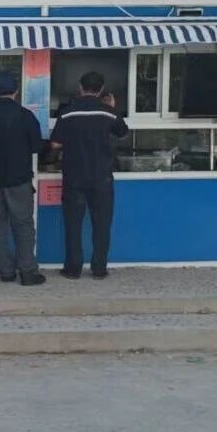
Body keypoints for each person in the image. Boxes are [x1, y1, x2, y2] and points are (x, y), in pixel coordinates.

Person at [50, 71, 129, 280]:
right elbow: (123, 133)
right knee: (102, 225)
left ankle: (73, 269)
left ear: (80, 87)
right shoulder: (109, 113)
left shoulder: (67, 113)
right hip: (102, 177)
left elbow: (55, 144)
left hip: (74, 177)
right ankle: (99, 269)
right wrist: (112, 108)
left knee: (73, 224)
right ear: (101, 89)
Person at [0, 73, 46, 287]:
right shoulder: (26, 116)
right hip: (19, 181)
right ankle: (28, 272)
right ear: (17, 91)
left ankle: (6, 271)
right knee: (23, 227)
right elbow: (37, 147)